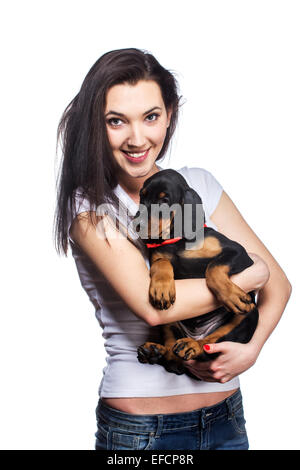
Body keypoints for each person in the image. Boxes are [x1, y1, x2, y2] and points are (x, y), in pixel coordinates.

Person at [54, 48, 291, 450]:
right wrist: (251, 275)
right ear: (97, 125)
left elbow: (280, 284)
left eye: (151, 117)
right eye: (116, 121)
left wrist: (252, 349)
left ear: (169, 114)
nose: (137, 138)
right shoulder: (91, 209)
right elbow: (155, 306)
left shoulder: (199, 183)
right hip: (142, 431)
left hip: (226, 418)